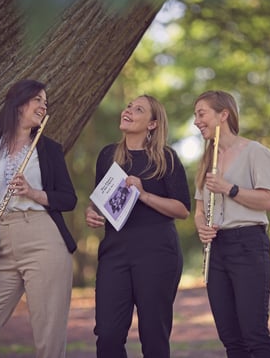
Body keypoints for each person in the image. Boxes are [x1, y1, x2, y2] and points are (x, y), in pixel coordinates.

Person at [0, 79, 77, 358]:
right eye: (37, 100)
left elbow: (68, 199)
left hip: (43, 238)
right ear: (18, 105)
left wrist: (33, 193)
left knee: (48, 335)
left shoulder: (48, 149)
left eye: (45, 102)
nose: (43, 106)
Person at [85, 94, 191, 358]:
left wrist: (144, 195)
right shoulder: (107, 155)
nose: (128, 111)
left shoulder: (166, 158)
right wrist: (91, 212)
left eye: (138, 109)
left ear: (153, 124)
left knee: (154, 334)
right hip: (115, 252)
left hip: (158, 253)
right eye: (129, 106)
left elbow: (182, 209)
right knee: (107, 334)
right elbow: (99, 201)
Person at [193, 90, 270, 358]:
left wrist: (229, 188)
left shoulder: (256, 152)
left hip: (248, 245)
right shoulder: (207, 159)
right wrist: (201, 226)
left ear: (224, 114)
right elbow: (199, 210)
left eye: (201, 114)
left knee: (255, 334)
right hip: (217, 250)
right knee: (231, 339)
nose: (196, 121)